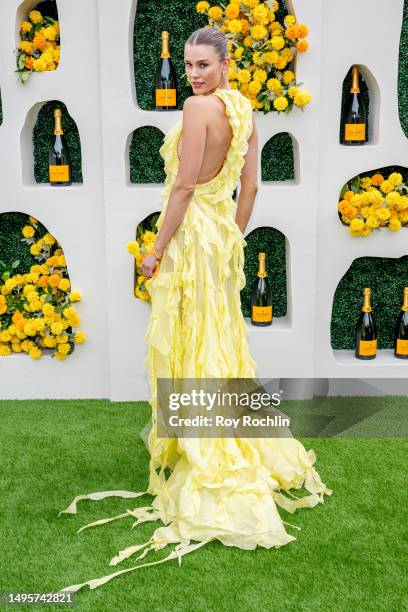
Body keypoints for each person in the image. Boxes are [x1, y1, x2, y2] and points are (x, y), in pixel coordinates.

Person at [57, 27, 332, 593]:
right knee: (220, 340)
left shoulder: (196, 108)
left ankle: (204, 449)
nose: (194, 74)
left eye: (204, 64)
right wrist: (230, 238)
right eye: (188, 66)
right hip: (221, 239)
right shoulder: (246, 111)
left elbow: (182, 189)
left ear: (226, 62)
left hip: (188, 238)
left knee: (195, 340)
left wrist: (156, 249)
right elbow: (249, 191)